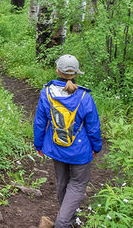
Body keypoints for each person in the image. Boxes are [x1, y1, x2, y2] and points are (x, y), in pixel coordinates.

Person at [33, 54, 102, 228]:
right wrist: (96, 147)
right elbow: (93, 126)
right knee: (78, 185)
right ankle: (63, 223)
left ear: (57, 70)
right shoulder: (85, 97)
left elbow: (40, 122)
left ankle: (67, 219)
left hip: (57, 146)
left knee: (62, 181)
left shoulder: (46, 92)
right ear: (77, 73)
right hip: (80, 150)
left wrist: (38, 144)